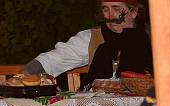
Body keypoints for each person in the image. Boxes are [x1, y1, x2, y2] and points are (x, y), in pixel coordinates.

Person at [23, 0, 153, 87]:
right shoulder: (92, 37)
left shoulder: (156, 37)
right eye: (105, 9)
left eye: (116, 9)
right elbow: (51, 60)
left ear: (134, 12)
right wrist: (21, 78)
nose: (110, 16)